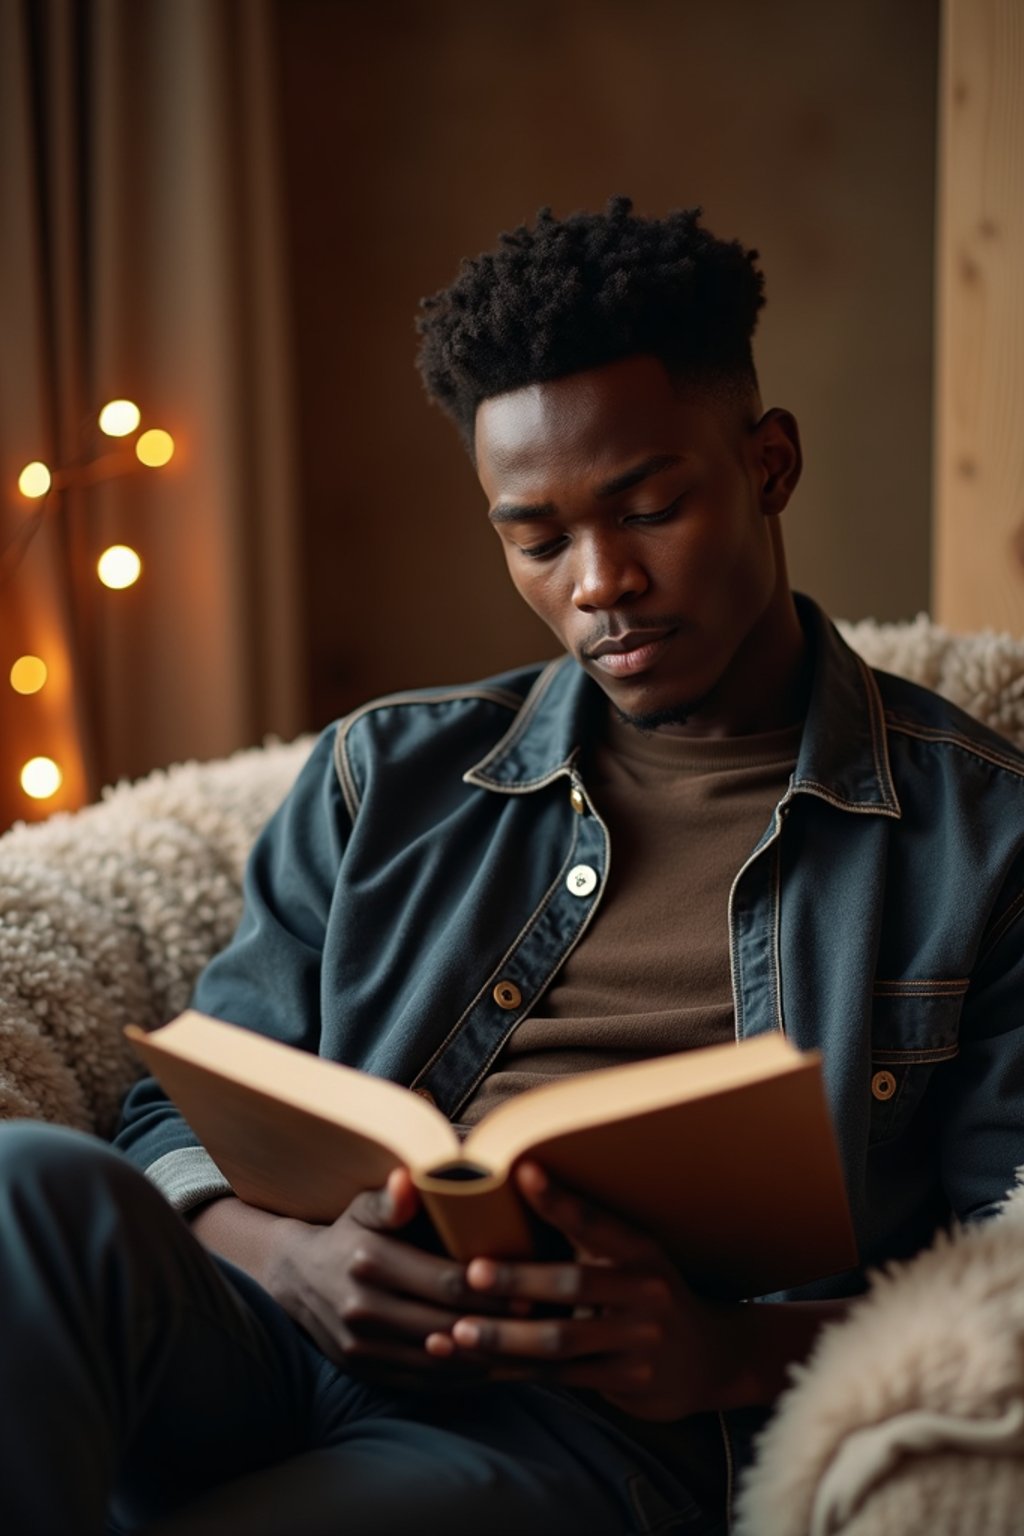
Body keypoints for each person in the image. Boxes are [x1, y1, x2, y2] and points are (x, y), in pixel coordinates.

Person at [4, 197, 1024, 1536]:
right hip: (286, 1331)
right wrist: (291, 1261)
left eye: (650, 507)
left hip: (586, 1430)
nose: (601, 581)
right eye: (537, 539)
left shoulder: (980, 839)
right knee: (26, 1185)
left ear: (768, 464)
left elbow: (999, 1274)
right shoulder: (390, 777)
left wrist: (723, 1352)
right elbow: (167, 1112)